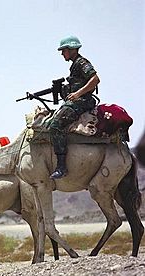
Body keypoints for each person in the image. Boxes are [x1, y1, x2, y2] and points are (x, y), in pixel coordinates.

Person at [48, 35, 100, 179]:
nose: (62, 53)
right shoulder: (75, 64)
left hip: (83, 101)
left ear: (71, 49)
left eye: (64, 50)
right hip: (79, 99)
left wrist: (77, 94)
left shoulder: (82, 62)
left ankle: (61, 167)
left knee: (55, 125)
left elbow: (95, 79)